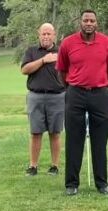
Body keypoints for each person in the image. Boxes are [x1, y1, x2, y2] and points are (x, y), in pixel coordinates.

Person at [56, 9, 108, 195]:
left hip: (100, 93)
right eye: (85, 20)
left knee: (100, 139)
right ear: (80, 22)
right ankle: (71, 184)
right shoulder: (68, 43)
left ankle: (102, 183)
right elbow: (62, 70)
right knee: (74, 138)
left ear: (96, 23)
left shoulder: (105, 42)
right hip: (75, 93)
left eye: (92, 20)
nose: (88, 23)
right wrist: (70, 87)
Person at [21, 23, 65, 177]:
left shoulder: (61, 51)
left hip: (57, 97)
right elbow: (24, 70)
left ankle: (54, 166)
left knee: (55, 132)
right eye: (43, 34)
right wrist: (43, 60)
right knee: (36, 132)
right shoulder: (31, 51)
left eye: (49, 34)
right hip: (36, 96)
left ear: (54, 35)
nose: (46, 36)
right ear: (38, 34)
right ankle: (33, 166)